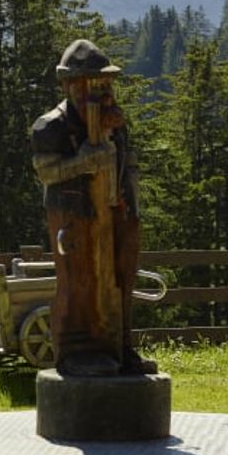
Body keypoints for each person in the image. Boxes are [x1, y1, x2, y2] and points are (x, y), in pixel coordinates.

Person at [30, 39, 153, 377]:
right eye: (93, 85)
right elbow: (46, 172)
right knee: (78, 281)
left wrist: (130, 205)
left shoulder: (115, 122)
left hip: (119, 212)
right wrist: (82, 162)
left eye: (106, 84)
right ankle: (75, 350)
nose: (104, 93)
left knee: (122, 278)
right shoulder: (50, 126)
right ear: (70, 86)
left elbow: (129, 163)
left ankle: (120, 347)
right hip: (74, 214)